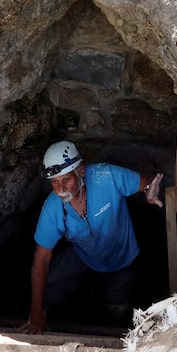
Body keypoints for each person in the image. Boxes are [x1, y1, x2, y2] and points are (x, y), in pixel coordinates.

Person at [19, 140, 163, 334]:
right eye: (55, 182)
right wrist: (35, 313)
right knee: (51, 285)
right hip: (83, 255)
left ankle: (115, 331)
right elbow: (41, 259)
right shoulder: (53, 207)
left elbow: (145, 182)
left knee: (118, 308)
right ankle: (47, 318)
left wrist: (148, 192)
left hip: (121, 258)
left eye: (66, 180)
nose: (61, 189)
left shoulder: (106, 176)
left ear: (80, 171)